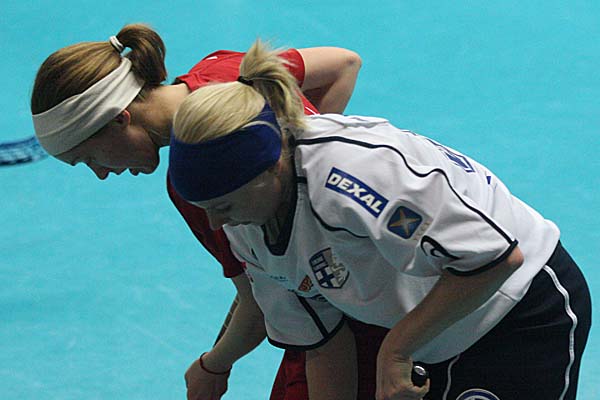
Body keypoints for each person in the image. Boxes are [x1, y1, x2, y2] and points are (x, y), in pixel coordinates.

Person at [168, 39, 592, 400]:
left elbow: (493, 257)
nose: (216, 224)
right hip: (436, 339)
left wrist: (396, 350)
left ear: (268, 169)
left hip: (520, 311)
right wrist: (405, 348)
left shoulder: (356, 178)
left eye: (224, 205)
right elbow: (323, 347)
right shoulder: (247, 227)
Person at [30, 23, 389, 400]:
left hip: (349, 324)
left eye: (88, 158)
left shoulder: (201, 183)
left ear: (120, 118)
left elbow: (258, 302)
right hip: (377, 283)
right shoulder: (226, 69)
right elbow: (343, 63)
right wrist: (306, 155)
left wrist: (213, 365)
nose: (101, 174)